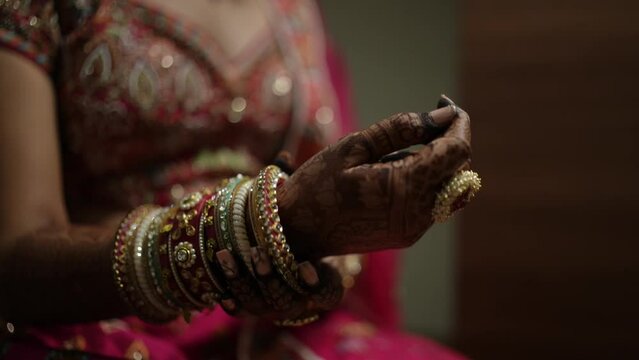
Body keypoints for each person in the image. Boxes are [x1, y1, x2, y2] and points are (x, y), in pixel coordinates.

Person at [0, 0, 476, 358]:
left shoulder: (289, 10)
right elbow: (15, 256)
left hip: (268, 327)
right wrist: (243, 235)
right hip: (105, 315)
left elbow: (307, 182)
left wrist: (335, 240)